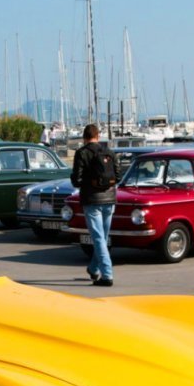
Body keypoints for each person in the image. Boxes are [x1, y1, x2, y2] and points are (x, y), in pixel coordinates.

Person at [71, 123, 119, 287]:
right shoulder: (109, 152)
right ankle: (94, 268)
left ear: (84, 138)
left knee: (98, 239)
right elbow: (118, 176)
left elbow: (77, 180)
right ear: (98, 136)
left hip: (92, 201)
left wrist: (82, 181)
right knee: (102, 238)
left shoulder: (81, 153)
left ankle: (107, 275)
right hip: (110, 200)